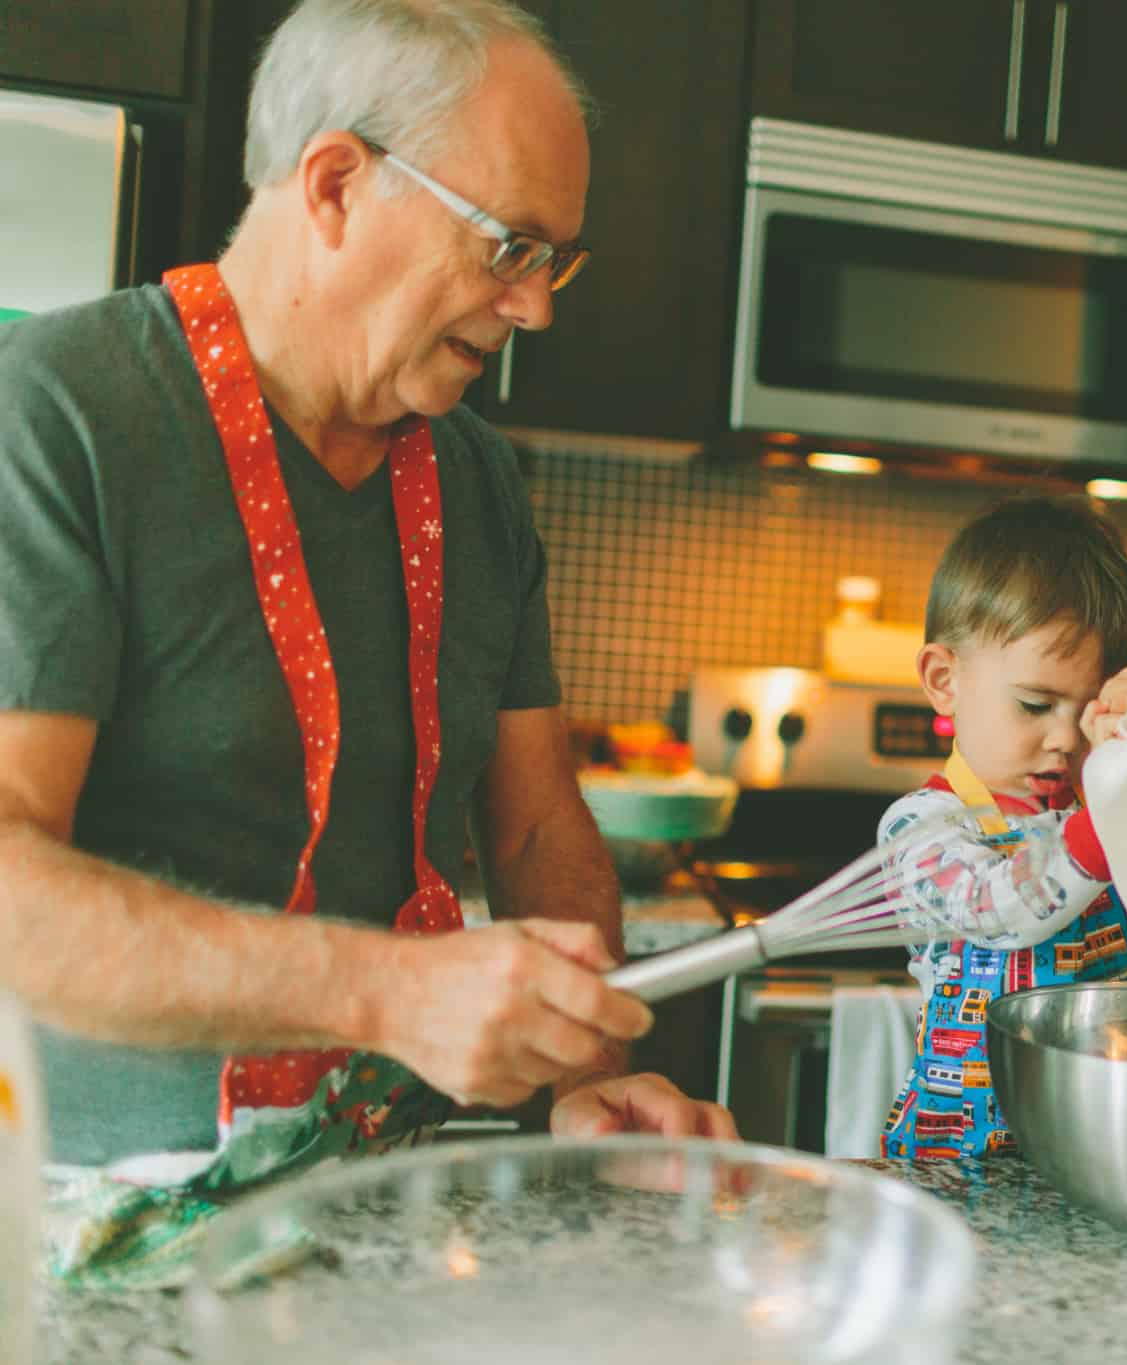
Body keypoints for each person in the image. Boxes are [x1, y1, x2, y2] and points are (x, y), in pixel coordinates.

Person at [0, 0, 732, 1193]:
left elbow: (536, 825)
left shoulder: (477, 479)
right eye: (509, 246)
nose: (536, 306)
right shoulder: (55, 412)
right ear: (336, 184)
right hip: (81, 1227)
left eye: (553, 260)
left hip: (381, 1209)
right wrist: (385, 993)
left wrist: (586, 1075)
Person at [877, 496, 1127, 1159]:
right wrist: (1108, 825)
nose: (1066, 738)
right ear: (944, 680)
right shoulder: (922, 827)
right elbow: (999, 909)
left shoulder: (1093, 803)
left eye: (1089, 706)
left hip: (1118, 1138)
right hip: (970, 1156)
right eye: (1036, 705)